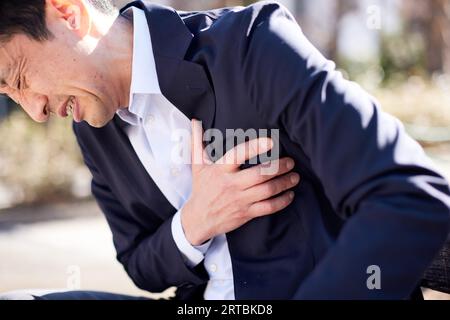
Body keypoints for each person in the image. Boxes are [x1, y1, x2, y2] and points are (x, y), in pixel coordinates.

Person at [0, 0, 449, 300]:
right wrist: (193, 224)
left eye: (19, 77)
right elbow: (141, 265)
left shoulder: (252, 45)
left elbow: (410, 196)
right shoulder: (93, 126)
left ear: (65, 11)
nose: (35, 112)